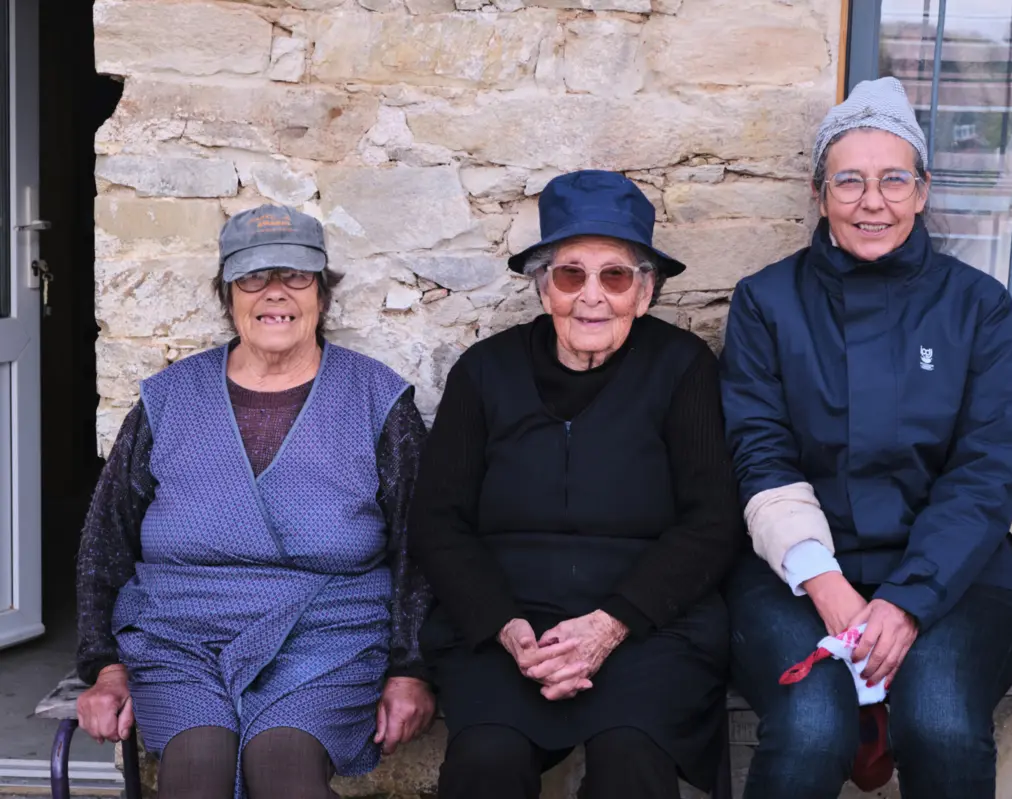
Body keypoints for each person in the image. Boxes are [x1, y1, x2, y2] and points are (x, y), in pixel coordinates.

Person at [719, 77, 1012, 799]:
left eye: (894, 179)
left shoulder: (977, 307)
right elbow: (759, 451)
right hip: (794, 574)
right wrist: (821, 580)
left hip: (955, 573)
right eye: (850, 180)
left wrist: (906, 600)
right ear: (818, 192)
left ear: (922, 191)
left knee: (942, 718)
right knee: (810, 725)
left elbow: (986, 470)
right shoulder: (767, 302)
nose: (873, 200)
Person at [74, 205, 436, 799]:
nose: (276, 294)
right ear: (227, 292)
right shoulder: (168, 399)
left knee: (284, 766)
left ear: (321, 292)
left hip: (327, 637)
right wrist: (105, 667)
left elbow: (417, 549)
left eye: (296, 277)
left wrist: (409, 668)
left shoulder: (375, 398)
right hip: (181, 636)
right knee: (197, 766)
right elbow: (104, 542)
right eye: (253, 278)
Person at [409, 170, 744, 799]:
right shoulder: (485, 371)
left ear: (645, 292)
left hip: (646, 626)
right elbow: (438, 520)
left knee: (631, 759)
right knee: (486, 758)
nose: (592, 296)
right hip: (508, 627)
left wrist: (611, 625)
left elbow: (711, 520)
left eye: (614, 275)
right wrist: (505, 626)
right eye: (571, 275)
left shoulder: (681, 367)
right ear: (544, 289)